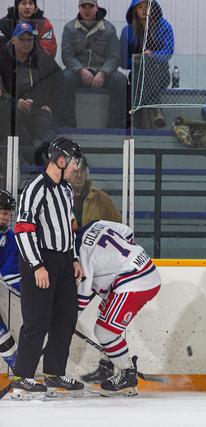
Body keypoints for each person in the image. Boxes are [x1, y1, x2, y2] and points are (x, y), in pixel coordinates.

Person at [11, 137, 85, 400]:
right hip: (40, 261)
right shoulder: (35, 189)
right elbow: (23, 230)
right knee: (37, 321)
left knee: (66, 317)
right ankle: (22, 378)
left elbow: (68, 228)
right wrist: (36, 265)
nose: (76, 168)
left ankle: (54, 373)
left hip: (63, 261)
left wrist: (73, 258)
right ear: (61, 160)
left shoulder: (65, 190)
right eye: (74, 162)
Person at [76, 220, 161, 396]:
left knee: (104, 332)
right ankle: (109, 365)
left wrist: (67, 320)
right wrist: (121, 260)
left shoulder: (79, 251)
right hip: (142, 267)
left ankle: (127, 375)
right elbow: (127, 231)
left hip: (134, 281)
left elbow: (82, 297)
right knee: (104, 315)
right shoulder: (95, 224)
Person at [0, 21, 63, 165]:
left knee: (46, 127)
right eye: (22, 39)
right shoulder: (2, 57)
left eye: (30, 39)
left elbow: (60, 82)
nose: (26, 43)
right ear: (13, 40)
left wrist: (51, 105)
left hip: (37, 108)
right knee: (12, 122)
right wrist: (15, 103)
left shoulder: (42, 58)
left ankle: (53, 164)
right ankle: (18, 163)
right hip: (10, 109)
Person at [60, 0, 128, 129]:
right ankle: (67, 125)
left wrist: (103, 73)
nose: (87, 10)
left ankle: (115, 126)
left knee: (121, 81)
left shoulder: (108, 29)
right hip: (77, 72)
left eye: (91, 6)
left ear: (97, 8)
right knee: (63, 78)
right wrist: (80, 70)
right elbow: (67, 56)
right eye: (83, 6)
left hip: (102, 71)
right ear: (79, 8)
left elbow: (114, 57)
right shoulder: (69, 28)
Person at [120, 0, 174, 129]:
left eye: (147, 6)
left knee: (146, 73)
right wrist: (138, 60)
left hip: (160, 75)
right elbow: (123, 61)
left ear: (153, 8)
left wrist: (152, 56)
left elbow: (168, 52)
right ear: (134, 10)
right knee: (141, 74)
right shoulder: (127, 31)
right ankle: (156, 109)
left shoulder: (164, 26)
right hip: (137, 75)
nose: (144, 10)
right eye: (140, 7)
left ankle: (137, 118)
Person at [67, 158, 121, 227]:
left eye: (82, 170)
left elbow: (117, 227)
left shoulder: (102, 199)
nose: (79, 175)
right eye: (75, 171)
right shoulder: (59, 198)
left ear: (87, 173)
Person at [0, 190, 20, 371]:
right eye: (4, 213)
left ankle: (18, 367)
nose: (7, 218)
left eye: (8, 214)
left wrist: (33, 295)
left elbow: (11, 273)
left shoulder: (8, 237)